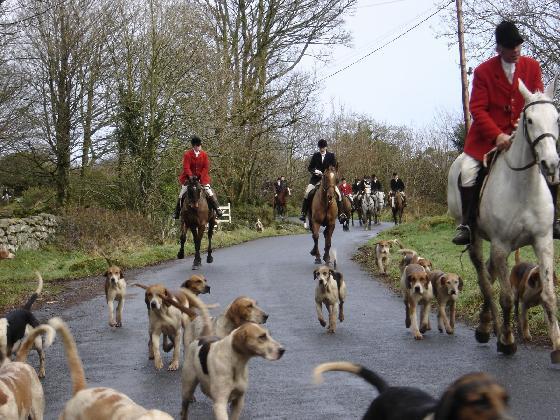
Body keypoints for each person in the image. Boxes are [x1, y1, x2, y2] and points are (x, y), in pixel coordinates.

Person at [452, 20, 558, 244]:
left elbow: (536, 101)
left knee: (552, 165)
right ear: (499, 48)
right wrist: (497, 135)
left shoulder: (532, 66)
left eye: (518, 46)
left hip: (523, 135)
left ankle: (554, 220)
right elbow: (477, 109)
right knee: (467, 171)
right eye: (511, 47)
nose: (516, 51)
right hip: (487, 140)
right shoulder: (483, 72)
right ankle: (468, 224)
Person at [174, 135, 223, 219]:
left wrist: (200, 176)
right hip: (189, 179)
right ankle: (177, 212)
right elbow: (186, 167)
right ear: (195, 146)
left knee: (209, 191)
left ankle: (217, 209)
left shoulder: (204, 154)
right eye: (199, 145)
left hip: (202, 178)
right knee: (182, 193)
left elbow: (206, 167)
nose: (200, 146)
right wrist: (190, 176)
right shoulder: (187, 154)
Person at [299, 139, 346, 223]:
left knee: (339, 194)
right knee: (307, 193)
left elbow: (334, 168)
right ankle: (303, 213)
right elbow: (310, 167)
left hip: (328, 180)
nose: (322, 149)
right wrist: (315, 171)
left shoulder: (331, 155)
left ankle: (341, 214)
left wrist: (328, 172)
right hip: (316, 179)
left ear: (326, 147)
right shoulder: (315, 155)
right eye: (320, 148)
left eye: (323, 147)